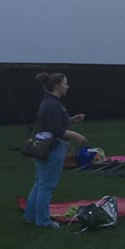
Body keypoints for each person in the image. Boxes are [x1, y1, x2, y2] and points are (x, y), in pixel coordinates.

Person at [23, 72, 88, 228]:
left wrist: (72, 120)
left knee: (40, 183)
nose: (67, 86)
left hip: (45, 148)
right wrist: (76, 135)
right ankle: (43, 221)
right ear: (57, 85)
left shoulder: (50, 102)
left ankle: (31, 216)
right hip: (52, 149)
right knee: (47, 186)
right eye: (65, 83)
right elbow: (56, 129)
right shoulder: (52, 105)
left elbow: (55, 124)